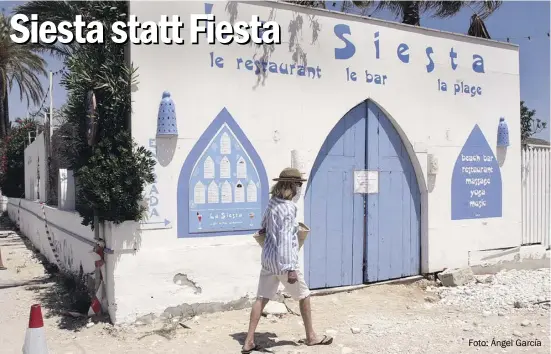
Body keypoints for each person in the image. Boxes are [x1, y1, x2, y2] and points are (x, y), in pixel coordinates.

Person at [242, 167, 333, 353]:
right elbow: (284, 239)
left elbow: (263, 228)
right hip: (284, 262)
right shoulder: (289, 208)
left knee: (261, 298)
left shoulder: (272, 203)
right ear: (292, 186)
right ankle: (311, 337)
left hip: (268, 259)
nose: (299, 188)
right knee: (304, 295)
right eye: (298, 185)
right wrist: (290, 268)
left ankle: (248, 341)